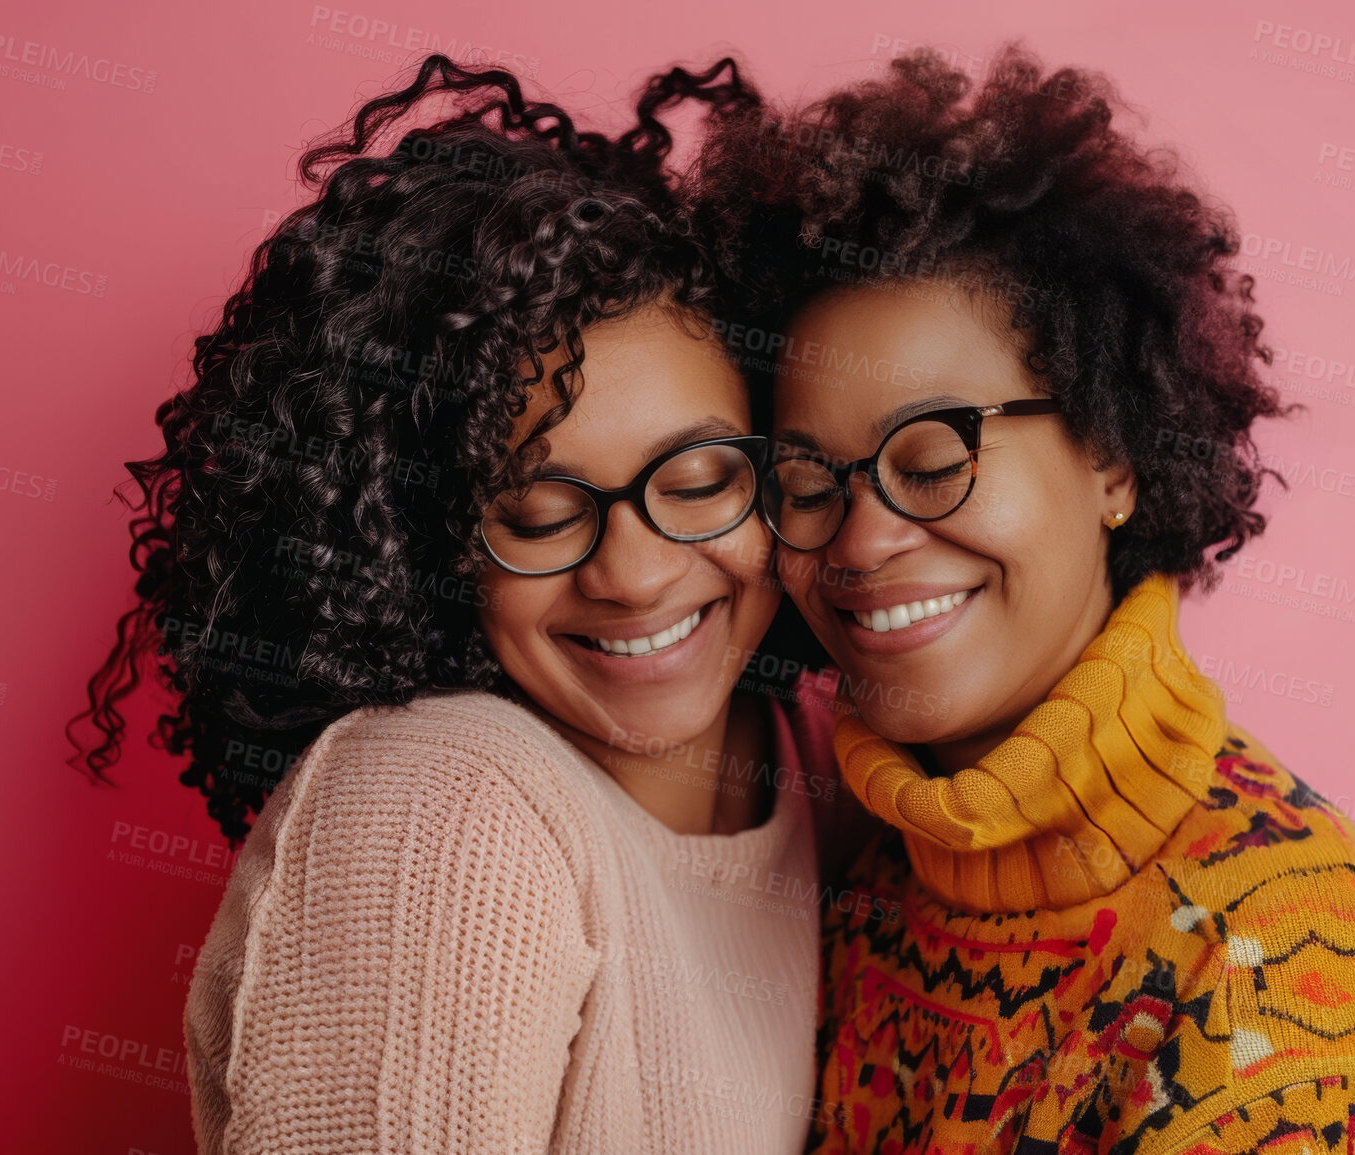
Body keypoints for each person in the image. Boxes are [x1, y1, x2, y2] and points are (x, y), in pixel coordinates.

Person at [692, 45, 1355, 1154]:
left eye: (932, 456)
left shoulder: (1295, 950)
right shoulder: (865, 874)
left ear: (1111, 454)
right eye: (810, 484)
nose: (860, 539)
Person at [69, 55, 834, 1154]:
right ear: (421, 543)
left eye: (700, 481)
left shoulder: (809, 761)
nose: (632, 572)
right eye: (535, 512)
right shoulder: (441, 809)